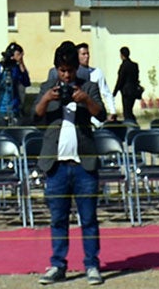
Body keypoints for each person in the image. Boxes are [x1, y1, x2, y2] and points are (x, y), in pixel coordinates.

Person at [31, 40, 106, 285]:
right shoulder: (46, 87)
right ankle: (57, 265)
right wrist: (46, 98)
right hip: (56, 165)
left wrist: (85, 99)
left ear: (77, 69)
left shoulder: (89, 87)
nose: (66, 75)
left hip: (84, 164)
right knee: (58, 218)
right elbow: (34, 117)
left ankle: (92, 265)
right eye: (62, 70)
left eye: (70, 70)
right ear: (56, 69)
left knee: (89, 218)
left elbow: (102, 115)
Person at [75, 44, 115, 117]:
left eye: (87, 53)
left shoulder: (97, 72)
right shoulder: (73, 74)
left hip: (96, 112)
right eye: (83, 54)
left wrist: (113, 111)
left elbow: (106, 92)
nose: (86, 56)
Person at [113, 46, 143, 124]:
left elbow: (120, 80)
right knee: (129, 109)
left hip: (126, 91)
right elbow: (136, 77)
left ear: (122, 55)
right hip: (133, 90)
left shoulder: (124, 66)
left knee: (127, 111)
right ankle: (133, 123)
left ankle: (131, 124)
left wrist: (114, 92)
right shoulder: (134, 65)